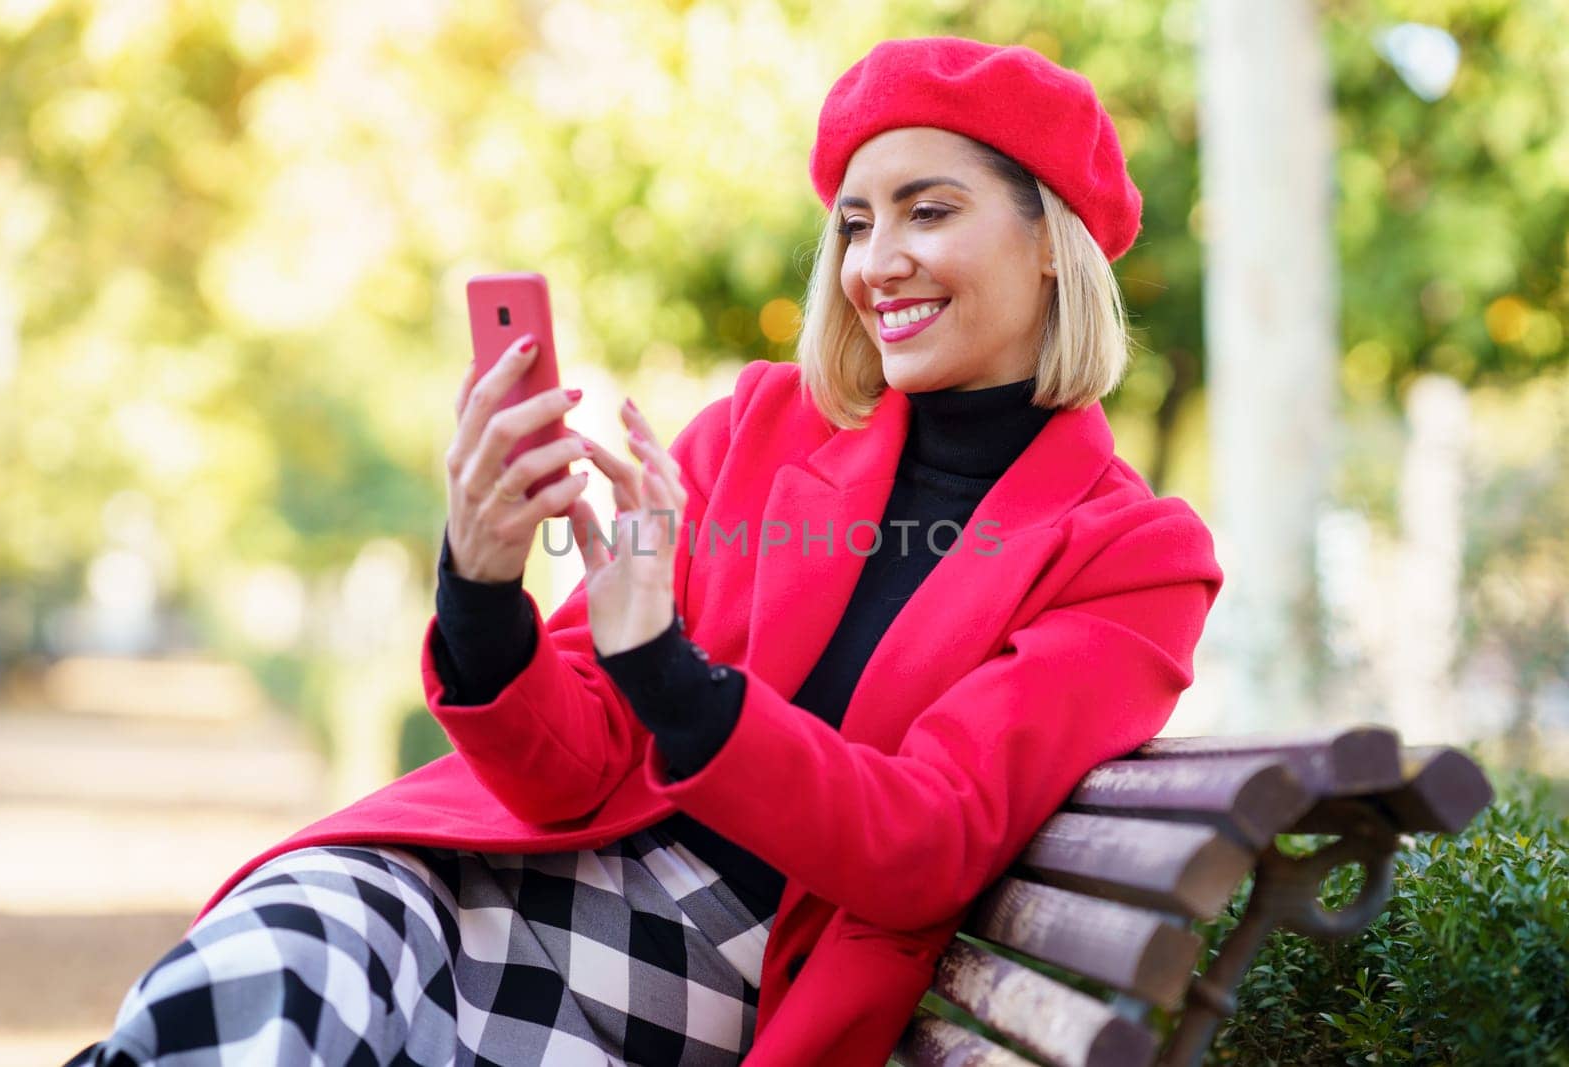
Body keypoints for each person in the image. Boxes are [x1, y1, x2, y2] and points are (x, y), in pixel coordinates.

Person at [69, 35, 1222, 1067]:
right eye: (857, 224)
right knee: (297, 934)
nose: (875, 264)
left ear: (1053, 245)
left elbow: (929, 838)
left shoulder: (1133, 555)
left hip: (721, 964)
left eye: (928, 211)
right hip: (510, 872)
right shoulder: (757, 429)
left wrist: (673, 675)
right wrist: (482, 587)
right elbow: (567, 770)